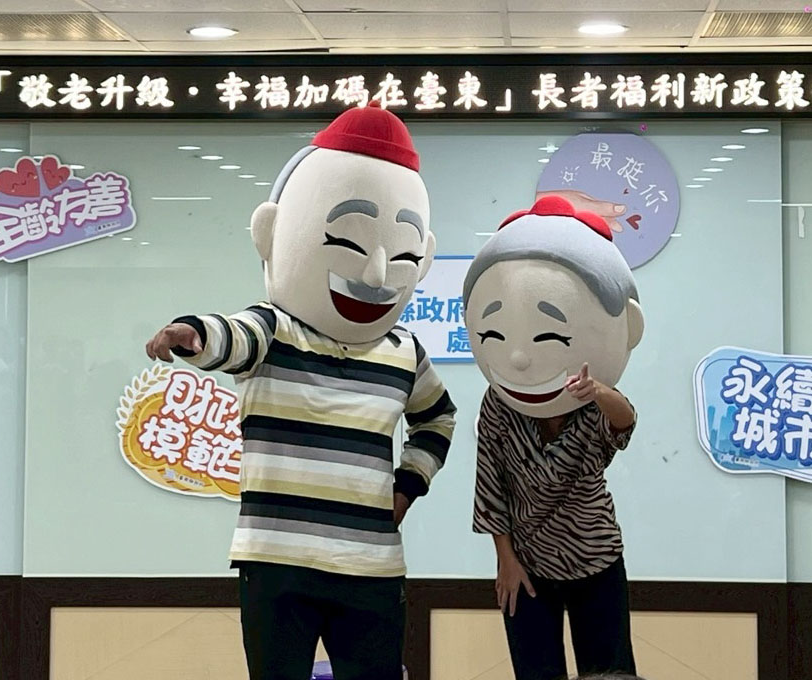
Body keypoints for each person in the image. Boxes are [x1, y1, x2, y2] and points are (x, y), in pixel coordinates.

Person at [146, 102, 456, 680]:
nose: (376, 271)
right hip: (277, 561)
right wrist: (192, 334)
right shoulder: (274, 329)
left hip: (371, 564)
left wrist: (408, 486)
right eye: (350, 244)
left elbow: (438, 418)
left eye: (402, 253)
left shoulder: (404, 350)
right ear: (274, 234)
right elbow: (231, 337)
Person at [463, 196, 645, 680]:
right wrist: (505, 560)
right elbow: (490, 487)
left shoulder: (590, 403)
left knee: (609, 672)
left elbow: (625, 423)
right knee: (535, 672)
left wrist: (597, 389)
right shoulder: (499, 403)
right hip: (527, 562)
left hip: (596, 557)